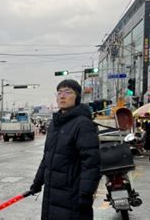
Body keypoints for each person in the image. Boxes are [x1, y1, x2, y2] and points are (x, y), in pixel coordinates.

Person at [29, 79, 101, 220]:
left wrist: (86, 194)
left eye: (68, 92)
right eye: (60, 92)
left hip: (73, 194)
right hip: (52, 193)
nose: (62, 96)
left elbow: (91, 163)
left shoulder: (83, 124)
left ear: (77, 97)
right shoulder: (54, 125)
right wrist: (38, 182)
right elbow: (47, 158)